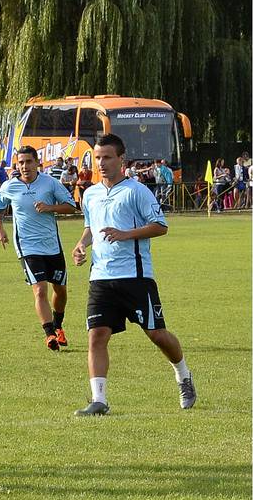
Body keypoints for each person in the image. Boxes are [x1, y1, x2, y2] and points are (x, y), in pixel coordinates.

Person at [71, 133, 196, 416]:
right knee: (96, 335)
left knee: (157, 334)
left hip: (136, 277)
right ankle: (99, 400)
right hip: (100, 277)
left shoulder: (136, 191)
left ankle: (183, 375)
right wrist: (80, 245)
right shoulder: (90, 194)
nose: (101, 163)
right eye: (98, 158)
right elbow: (91, 228)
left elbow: (160, 226)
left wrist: (125, 234)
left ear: (121, 159)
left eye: (107, 157)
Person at [0, 145, 80, 352]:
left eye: (29, 162)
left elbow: (71, 206)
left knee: (60, 290)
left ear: (37, 163)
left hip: (52, 245)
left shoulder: (50, 183)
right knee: (40, 290)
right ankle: (49, 334)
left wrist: (50, 207)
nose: (25, 166)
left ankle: (58, 326)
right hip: (27, 246)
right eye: (21, 163)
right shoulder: (10, 186)